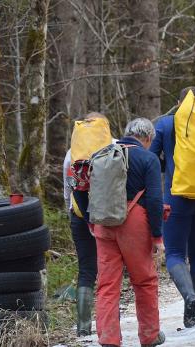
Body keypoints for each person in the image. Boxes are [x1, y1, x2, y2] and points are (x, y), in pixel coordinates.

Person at [94, 118, 166, 347]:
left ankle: (108, 339)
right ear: (148, 138)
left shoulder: (103, 154)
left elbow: (84, 189)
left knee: (107, 284)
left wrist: (91, 221)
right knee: (144, 281)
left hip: (103, 222)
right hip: (133, 223)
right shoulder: (148, 158)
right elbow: (154, 199)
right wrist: (157, 236)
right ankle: (150, 336)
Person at [150, 87, 195, 328]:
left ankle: (189, 298)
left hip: (175, 196)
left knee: (175, 253)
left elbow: (150, 159)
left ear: (180, 103)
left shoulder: (166, 124)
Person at [63, 112, 109, 337]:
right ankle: (111, 320)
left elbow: (68, 186)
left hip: (79, 215)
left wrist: (72, 210)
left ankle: (83, 327)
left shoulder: (72, 152)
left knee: (86, 269)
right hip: (108, 216)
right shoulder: (112, 146)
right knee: (110, 267)